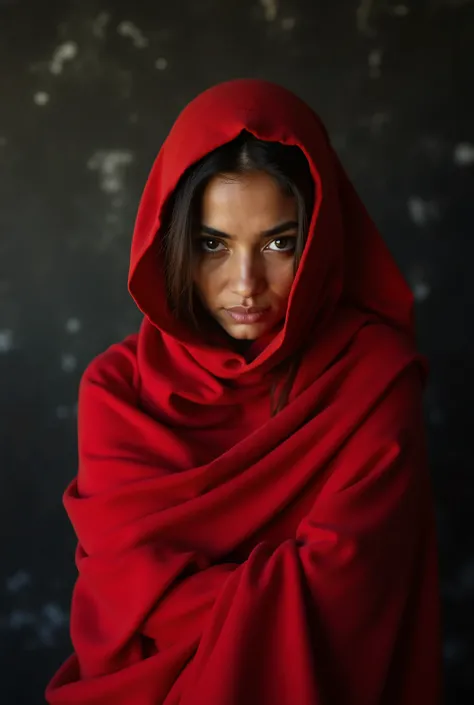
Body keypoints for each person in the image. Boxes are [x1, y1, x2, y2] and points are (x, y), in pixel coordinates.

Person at [46, 79, 442, 705]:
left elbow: (347, 596)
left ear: (320, 237)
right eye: (213, 244)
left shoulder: (372, 377)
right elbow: (124, 597)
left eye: (279, 243)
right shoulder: (119, 391)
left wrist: (178, 593)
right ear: (173, 240)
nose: (246, 283)